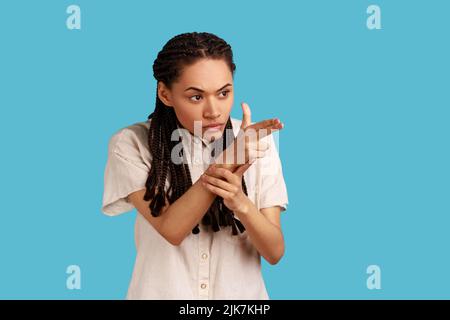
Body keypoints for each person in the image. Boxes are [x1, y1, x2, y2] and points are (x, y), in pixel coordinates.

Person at [101, 32, 289, 299]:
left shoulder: (257, 143)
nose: (213, 110)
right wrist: (229, 158)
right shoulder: (132, 144)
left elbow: (274, 251)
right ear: (165, 93)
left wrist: (240, 202)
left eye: (224, 93)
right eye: (196, 97)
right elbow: (172, 228)